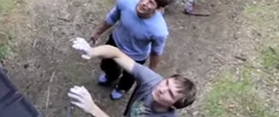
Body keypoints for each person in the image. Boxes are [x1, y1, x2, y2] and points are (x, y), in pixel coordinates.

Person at [68, 37, 196, 116]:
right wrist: (92, 51)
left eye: (170, 93)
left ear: (173, 106)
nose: (162, 88)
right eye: (166, 83)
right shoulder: (154, 82)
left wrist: (93, 109)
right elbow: (117, 54)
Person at [88, 0, 170, 101]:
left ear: (158, 9)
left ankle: (121, 88)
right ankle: (112, 75)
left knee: (129, 77)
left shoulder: (159, 30)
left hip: (135, 56)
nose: (144, 3)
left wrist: (150, 74)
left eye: (151, 3)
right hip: (115, 42)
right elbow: (111, 18)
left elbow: (156, 52)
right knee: (106, 65)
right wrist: (97, 33)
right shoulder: (125, 0)